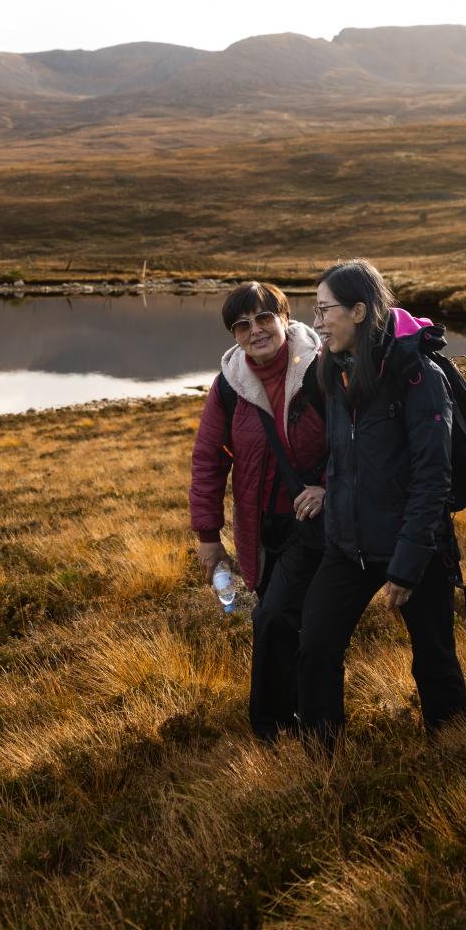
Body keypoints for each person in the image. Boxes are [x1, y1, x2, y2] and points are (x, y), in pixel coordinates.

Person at [297, 258, 466, 744]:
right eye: (315, 310)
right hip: (347, 545)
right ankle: (319, 757)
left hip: (415, 547)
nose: (317, 322)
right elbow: (341, 447)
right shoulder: (332, 369)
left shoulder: (419, 376)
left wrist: (408, 564)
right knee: (316, 648)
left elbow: (433, 477)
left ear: (357, 311)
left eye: (324, 309)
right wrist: (323, 485)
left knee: (434, 659)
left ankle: (455, 752)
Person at [188, 281, 328, 741]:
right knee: (284, 618)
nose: (256, 331)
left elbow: (357, 441)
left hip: (319, 523)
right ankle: (305, 720)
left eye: (265, 318)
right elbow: (209, 458)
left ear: (285, 318)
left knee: (274, 618)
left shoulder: (322, 369)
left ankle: (273, 728)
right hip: (262, 528)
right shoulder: (229, 385)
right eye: (242, 325)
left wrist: (326, 487)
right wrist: (209, 535)